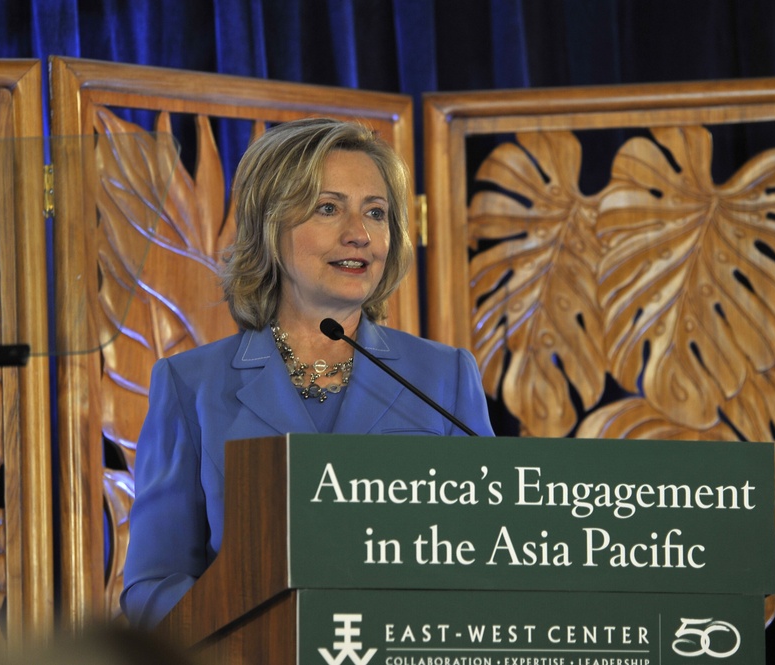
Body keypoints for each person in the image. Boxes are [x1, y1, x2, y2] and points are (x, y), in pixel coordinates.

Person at [120, 118, 494, 628]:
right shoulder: (191, 386)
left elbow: (492, 554)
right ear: (271, 228)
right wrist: (259, 625)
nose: (359, 234)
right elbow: (151, 589)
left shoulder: (444, 377)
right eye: (328, 208)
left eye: (376, 213)